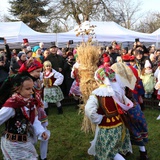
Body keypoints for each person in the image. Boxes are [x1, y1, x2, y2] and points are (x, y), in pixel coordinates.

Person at [85, 66, 133, 160]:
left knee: (109, 151)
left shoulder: (98, 94)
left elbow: (89, 110)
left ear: (98, 79)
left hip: (108, 128)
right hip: (120, 123)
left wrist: (99, 119)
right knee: (115, 147)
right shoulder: (118, 90)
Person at [0, 73, 48, 160]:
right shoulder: (12, 105)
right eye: (28, 89)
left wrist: (40, 131)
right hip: (12, 144)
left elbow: (34, 120)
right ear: (17, 89)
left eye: (32, 88)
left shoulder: (29, 103)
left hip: (25, 141)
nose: (31, 91)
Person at [18, 59, 50, 160]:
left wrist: (40, 103)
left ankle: (43, 156)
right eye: (37, 71)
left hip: (38, 110)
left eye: (40, 71)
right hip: (28, 111)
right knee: (31, 136)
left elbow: (37, 94)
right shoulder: (24, 82)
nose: (39, 74)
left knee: (44, 133)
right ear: (30, 70)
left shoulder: (36, 81)